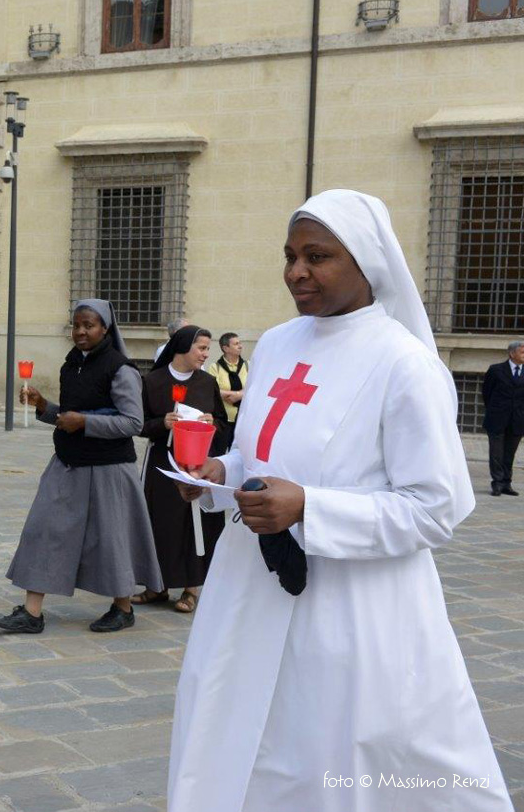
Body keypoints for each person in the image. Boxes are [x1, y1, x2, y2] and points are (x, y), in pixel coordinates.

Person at [168, 190, 510, 811]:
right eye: (290, 256)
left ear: (367, 261)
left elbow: (434, 507)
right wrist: (217, 473)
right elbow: (260, 457)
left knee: (332, 755)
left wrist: (309, 508)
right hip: (246, 593)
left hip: (352, 610)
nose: (296, 272)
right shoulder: (277, 344)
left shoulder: (404, 363)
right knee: (235, 736)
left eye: (317, 256)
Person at [0, 299, 162, 634]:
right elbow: (68, 415)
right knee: (42, 528)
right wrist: (43, 406)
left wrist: (84, 422)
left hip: (110, 468)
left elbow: (133, 422)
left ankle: (123, 608)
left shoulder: (122, 369)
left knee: (112, 539)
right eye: (76, 325)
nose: (81, 331)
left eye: (89, 325)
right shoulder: (71, 365)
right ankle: (31, 613)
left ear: (105, 329)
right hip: (67, 462)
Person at [133, 325, 227, 614]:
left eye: (208, 348)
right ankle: (156, 585)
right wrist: (162, 423)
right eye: (201, 348)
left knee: (194, 523)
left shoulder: (207, 382)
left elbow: (222, 424)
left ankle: (191, 588)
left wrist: (212, 422)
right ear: (183, 347)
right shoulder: (153, 381)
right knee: (160, 521)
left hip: (198, 464)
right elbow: (138, 423)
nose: (206, 354)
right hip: (162, 462)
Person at [482, 340, 523, 496]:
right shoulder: (496, 370)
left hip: (517, 420)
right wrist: (495, 410)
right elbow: (487, 393)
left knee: (509, 454)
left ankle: (507, 483)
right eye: (522, 352)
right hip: (497, 419)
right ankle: (497, 483)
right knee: (496, 454)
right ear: (512, 354)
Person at [208, 332, 248, 425]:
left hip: (244, 417)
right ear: (225, 348)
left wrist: (239, 395)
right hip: (223, 419)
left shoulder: (248, 366)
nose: (240, 346)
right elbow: (213, 391)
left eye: (240, 343)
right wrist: (239, 393)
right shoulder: (215, 367)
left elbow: (255, 387)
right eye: (236, 344)